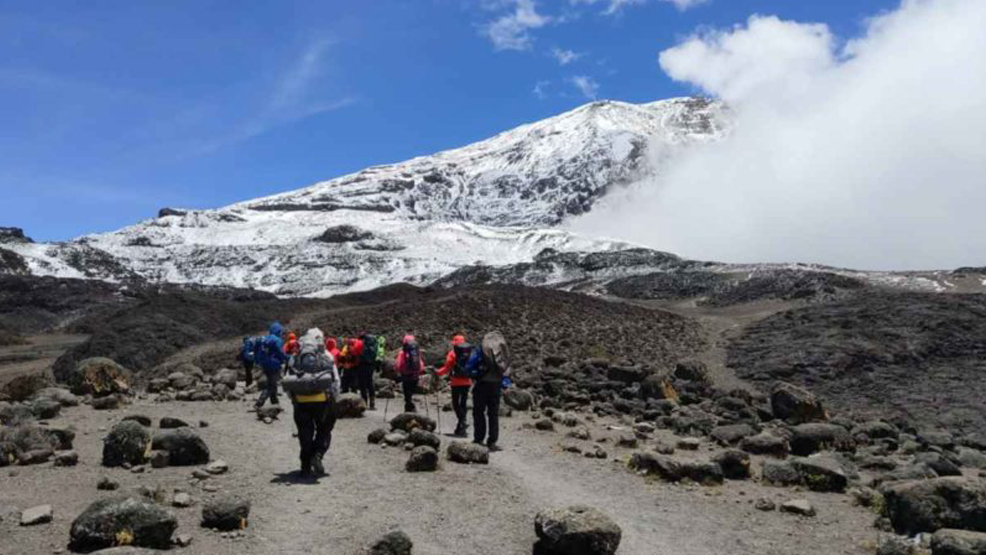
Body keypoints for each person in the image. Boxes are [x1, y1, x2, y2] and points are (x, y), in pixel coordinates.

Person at [282, 328, 340, 477]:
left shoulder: (294, 358)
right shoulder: (326, 356)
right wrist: (334, 398)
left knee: (304, 434)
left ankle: (305, 467)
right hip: (323, 402)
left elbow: (288, 382)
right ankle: (318, 454)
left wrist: (293, 399)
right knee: (324, 430)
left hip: (301, 403)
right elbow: (335, 381)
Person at [466, 331, 511, 452]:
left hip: (482, 384)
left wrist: (471, 374)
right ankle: (492, 441)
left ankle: (479, 438)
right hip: (496, 385)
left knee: (479, 412)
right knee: (493, 414)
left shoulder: (481, 349)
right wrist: (505, 384)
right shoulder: (501, 350)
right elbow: (505, 368)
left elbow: (470, 365)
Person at [436, 334, 473, 437]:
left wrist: (437, 373)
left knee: (456, 403)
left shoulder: (452, 354)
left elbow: (447, 368)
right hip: (467, 382)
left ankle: (462, 420)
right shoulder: (470, 353)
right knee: (463, 403)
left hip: (456, 382)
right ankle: (460, 426)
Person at [254, 322, 288, 408]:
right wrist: (288, 358)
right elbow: (280, 353)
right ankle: (259, 403)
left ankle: (274, 402)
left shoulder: (265, 339)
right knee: (271, 386)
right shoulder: (277, 340)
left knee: (272, 383)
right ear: (278, 331)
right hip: (274, 364)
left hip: (265, 364)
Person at [394, 335, 424, 413]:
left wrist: (398, 371)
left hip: (406, 376)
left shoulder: (402, 353)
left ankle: (409, 409)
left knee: (407, 395)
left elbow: (398, 365)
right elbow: (421, 366)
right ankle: (410, 409)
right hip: (415, 376)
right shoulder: (417, 353)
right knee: (411, 393)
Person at [356, 333, 378, 410]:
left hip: (362, 365)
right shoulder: (374, 344)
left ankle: (364, 402)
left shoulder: (363, 345)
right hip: (371, 366)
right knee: (370, 383)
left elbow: (359, 354)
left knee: (362, 384)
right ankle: (372, 403)